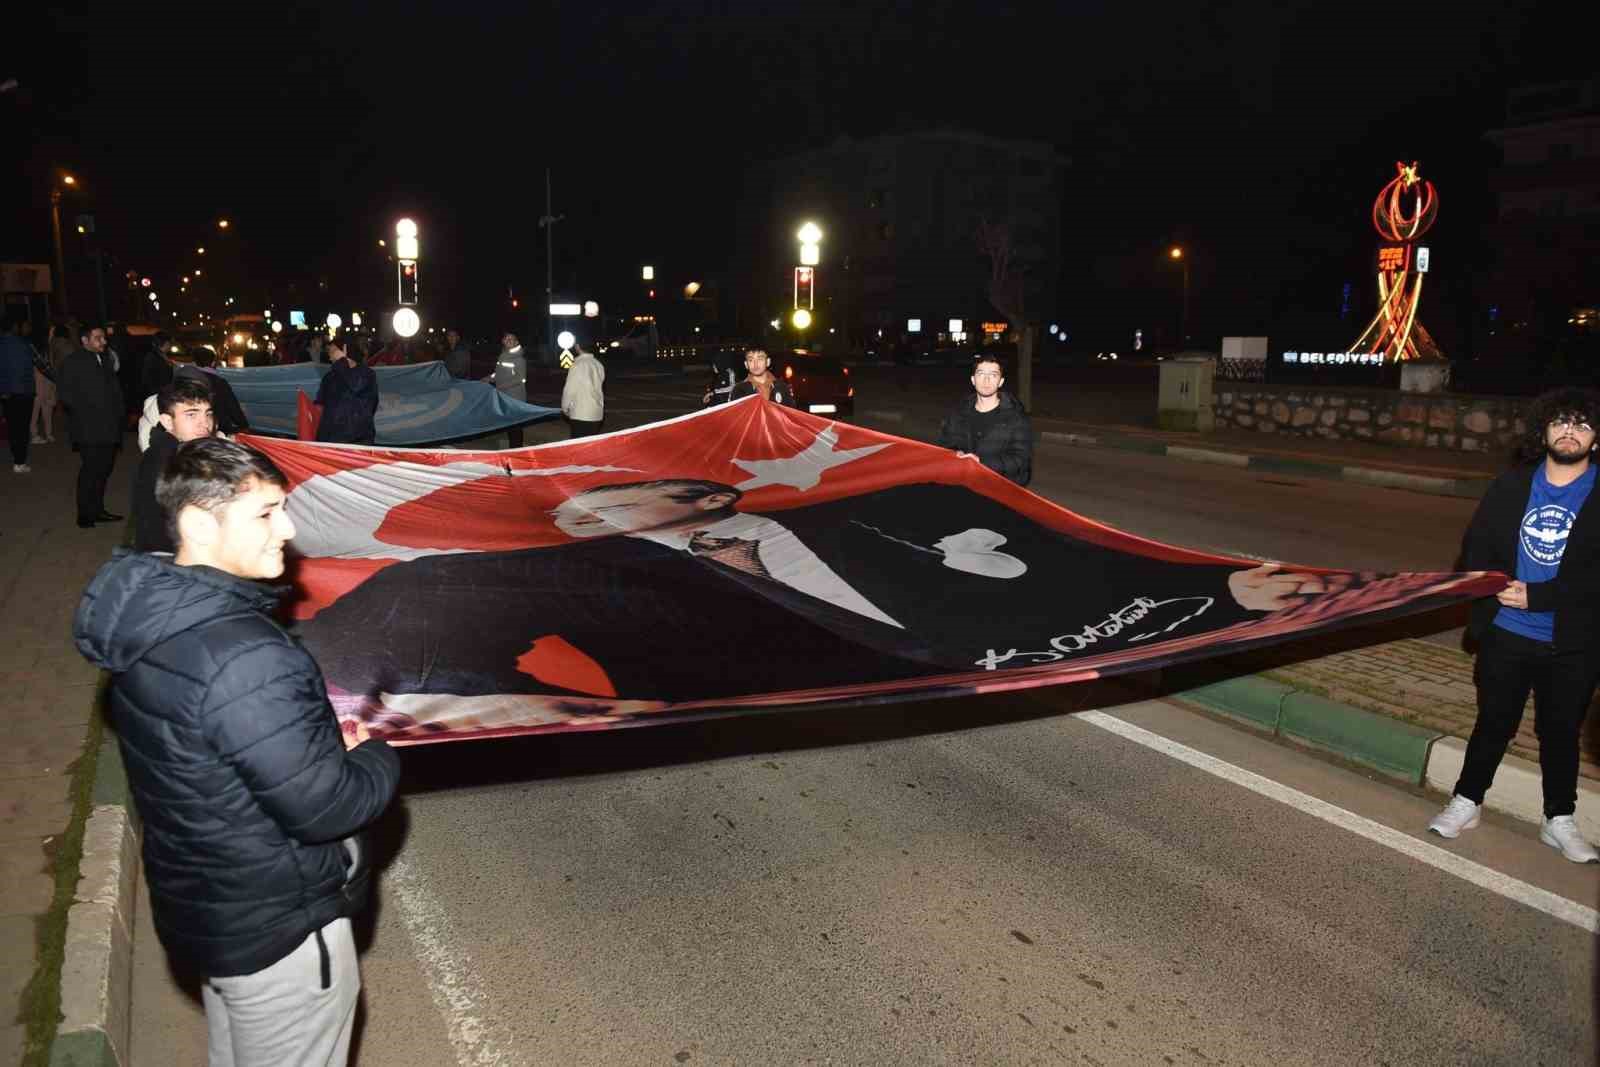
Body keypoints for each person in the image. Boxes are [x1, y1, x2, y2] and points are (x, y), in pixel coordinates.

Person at [298, 478, 1345, 711]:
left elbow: (1054, 564)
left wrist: (1212, 587)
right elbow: (434, 609)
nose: (602, 526)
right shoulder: (580, 582)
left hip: (954, 649)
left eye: (614, 506)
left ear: (695, 485)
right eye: (584, 524)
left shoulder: (876, 508)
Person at [74, 437, 401, 1066]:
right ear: (199, 522)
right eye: (266, 513)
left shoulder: (152, 620)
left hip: (212, 912)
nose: (290, 527)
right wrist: (378, 755)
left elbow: (212, 758)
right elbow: (326, 807)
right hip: (281, 930)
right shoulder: (246, 654)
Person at [1429, 387, 1600, 863]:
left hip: (1575, 642)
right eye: (1561, 422)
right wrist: (1489, 584)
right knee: (1493, 722)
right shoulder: (1511, 485)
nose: (1571, 432)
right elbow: (1475, 547)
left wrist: (1541, 595)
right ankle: (1467, 800)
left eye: (1583, 424)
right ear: (1543, 429)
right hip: (1507, 631)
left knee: (1561, 730)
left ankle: (1558, 819)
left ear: (1597, 438)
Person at [132, 377, 215, 553]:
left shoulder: (180, 449)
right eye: (191, 414)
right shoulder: (169, 461)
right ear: (167, 421)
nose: (205, 424)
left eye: (207, 414)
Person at [57, 323, 126, 527]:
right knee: (91, 470)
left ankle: (98, 510)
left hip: (109, 426)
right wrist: (87, 411)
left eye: (104, 338)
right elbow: (66, 394)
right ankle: (85, 514)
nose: (103, 341)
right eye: (98, 338)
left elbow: (114, 390)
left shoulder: (104, 359)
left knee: (104, 469)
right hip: (89, 428)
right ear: (85, 340)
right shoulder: (73, 362)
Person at [936, 354, 1032, 486]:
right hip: (964, 486)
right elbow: (945, 444)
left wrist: (981, 462)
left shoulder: (1016, 417)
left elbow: (1020, 460)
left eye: (993, 375)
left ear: (1001, 381)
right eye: (981, 374)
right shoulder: (958, 414)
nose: (986, 380)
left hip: (1000, 491)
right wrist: (954, 454)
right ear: (973, 380)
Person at [315, 334, 379, 445]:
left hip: (358, 441)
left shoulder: (366, 373)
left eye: (332, 352)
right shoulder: (329, 377)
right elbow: (320, 405)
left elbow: (357, 386)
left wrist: (341, 361)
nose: (330, 357)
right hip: (330, 440)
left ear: (344, 349)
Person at [0, 315, 37, 473]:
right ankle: (20, 461)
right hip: (23, 391)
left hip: (7, 393)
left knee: (13, 426)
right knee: (21, 428)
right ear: (15, 327)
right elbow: (28, 368)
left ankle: (17, 457)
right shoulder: (23, 345)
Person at [710, 348, 795, 407]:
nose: (755, 364)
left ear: (768, 362)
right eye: (751, 360)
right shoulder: (739, 390)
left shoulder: (782, 387)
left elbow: (792, 415)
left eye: (760, 359)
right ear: (746, 364)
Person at [488, 332, 528, 447]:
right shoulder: (503, 356)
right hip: (505, 396)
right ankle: (512, 449)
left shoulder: (519, 359)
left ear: (516, 342)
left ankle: (516, 450)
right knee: (510, 426)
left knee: (515, 427)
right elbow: (498, 373)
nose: (509, 340)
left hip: (515, 398)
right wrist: (488, 378)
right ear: (503, 341)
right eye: (506, 338)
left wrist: (500, 386)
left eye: (512, 339)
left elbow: (521, 379)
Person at [561, 345, 605, 437]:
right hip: (596, 413)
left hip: (581, 414)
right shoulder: (598, 364)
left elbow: (570, 389)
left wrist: (565, 407)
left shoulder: (578, 364)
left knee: (578, 447)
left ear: (578, 347)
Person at [30, 323, 57, 444]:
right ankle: (34, 434)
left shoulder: (48, 347)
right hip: (39, 379)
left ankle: (48, 433)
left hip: (47, 379)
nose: (52, 334)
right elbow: (42, 365)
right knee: (36, 407)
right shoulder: (35, 348)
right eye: (51, 332)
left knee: (48, 406)